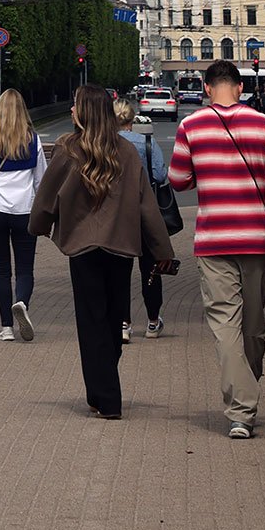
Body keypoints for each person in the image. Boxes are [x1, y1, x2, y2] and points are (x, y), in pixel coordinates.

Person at [32, 87, 177, 418]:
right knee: (114, 319)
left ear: (84, 112)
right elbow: (146, 205)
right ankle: (105, 390)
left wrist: (38, 225)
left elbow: (47, 195)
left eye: (75, 105)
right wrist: (161, 248)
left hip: (82, 246)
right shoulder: (125, 151)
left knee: (91, 320)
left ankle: (102, 392)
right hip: (121, 245)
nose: (70, 110)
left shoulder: (68, 149)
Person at [168, 57, 265, 439]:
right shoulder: (263, 124)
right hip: (254, 238)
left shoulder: (190, 125)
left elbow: (178, 180)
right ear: (241, 87)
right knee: (254, 326)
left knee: (226, 325)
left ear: (206, 88)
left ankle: (243, 396)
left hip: (213, 238)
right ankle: (243, 409)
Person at [0, 87, 48, 341]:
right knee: (25, 268)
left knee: (2, 268)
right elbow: (42, 181)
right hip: (24, 210)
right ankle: (22, 303)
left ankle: (6, 327)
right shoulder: (33, 140)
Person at [114, 95, 169, 337]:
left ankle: (123, 323)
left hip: (116, 216)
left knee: (119, 271)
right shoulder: (146, 143)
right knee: (150, 269)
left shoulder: (106, 145)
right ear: (132, 118)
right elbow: (160, 174)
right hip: (145, 213)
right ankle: (153, 321)